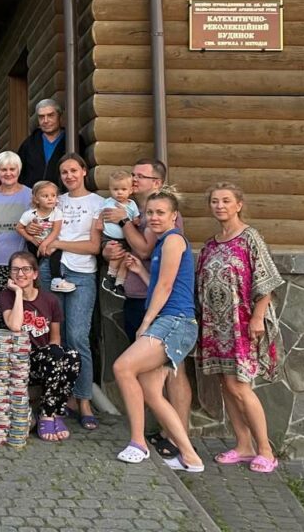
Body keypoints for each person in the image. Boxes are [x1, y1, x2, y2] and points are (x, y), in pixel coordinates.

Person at [102, 158, 192, 457]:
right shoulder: (138, 212)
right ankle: (164, 441)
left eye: (141, 175)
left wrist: (124, 223)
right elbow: (137, 253)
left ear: (157, 183)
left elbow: (143, 249)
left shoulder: (164, 223)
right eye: (133, 174)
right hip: (140, 294)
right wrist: (111, 249)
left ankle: (175, 436)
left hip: (163, 309)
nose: (135, 179)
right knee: (151, 377)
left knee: (171, 371)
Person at [113, 188, 204, 472]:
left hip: (173, 321)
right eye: (149, 213)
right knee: (152, 391)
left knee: (123, 368)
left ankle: (138, 443)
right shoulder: (165, 243)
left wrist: (145, 322)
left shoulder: (174, 240)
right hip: (170, 319)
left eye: (160, 212)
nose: (153, 217)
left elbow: (165, 288)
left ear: (174, 216)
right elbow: (164, 281)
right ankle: (190, 457)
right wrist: (141, 272)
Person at [196, 183, 283, 473]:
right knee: (226, 385)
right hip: (215, 327)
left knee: (240, 386)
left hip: (241, 323)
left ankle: (266, 450)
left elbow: (266, 281)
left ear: (238, 205)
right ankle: (243, 445)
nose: (219, 206)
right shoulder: (210, 244)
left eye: (226, 201)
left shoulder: (250, 238)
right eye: (215, 201)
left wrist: (258, 317)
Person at [32, 153, 102, 428]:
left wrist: (59, 244)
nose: (69, 176)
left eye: (74, 170)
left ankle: (84, 399)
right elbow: (39, 232)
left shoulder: (97, 203)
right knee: (53, 336)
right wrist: (38, 231)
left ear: (84, 171)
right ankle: (57, 398)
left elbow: (93, 247)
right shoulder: (55, 200)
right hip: (52, 269)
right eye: (64, 172)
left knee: (77, 336)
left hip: (82, 272)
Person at [0, 251, 81, 442]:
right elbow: (15, 326)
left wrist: (55, 352)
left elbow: (55, 338)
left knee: (73, 357)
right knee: (53, 359)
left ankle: (56, 412)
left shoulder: (50, 300)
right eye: (16, 270)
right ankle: (46, 415)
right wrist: (18, 293)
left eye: (26, 269)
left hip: (46, 358)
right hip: (20, 360)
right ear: (10, 274)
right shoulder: (6, 296)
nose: (20, 274)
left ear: (35, 274)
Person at [0, 151, 32, 302]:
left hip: (21, 264)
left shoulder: (30, 195)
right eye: (3, 170)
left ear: (19, 170)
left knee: (20, 308)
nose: (8, 173)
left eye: (12, 169)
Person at [99, 170, 140, 298]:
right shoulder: (108, 202)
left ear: (131, 190)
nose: (119, 192)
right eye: (115, 189)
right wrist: (99, 223)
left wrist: (136, 221)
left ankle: (119, 284)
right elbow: (101, 214)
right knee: (115, 254)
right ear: (110, 189)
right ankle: (110, 276)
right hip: (109, 237)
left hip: (125, 238)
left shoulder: (132, 205)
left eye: (123, 189)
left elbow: (136, 218)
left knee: (126, 258)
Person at [15, 180, 63, 284]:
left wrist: (44, 244)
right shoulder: (30, 214)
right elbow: (19, 228)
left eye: (53, 195)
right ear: (36, 199)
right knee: (32, 260)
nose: (50, 198)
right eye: (45, 196)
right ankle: (32, 280)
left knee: (57, 255)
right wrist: (32, 239)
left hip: (50, 242)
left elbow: (56, 231)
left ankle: (57, 278)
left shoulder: (57, 213)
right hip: (35, 243)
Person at [16, 99, 66, 189]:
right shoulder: (28, 144)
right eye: (41, 117)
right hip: (32, 199)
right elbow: (18, 174)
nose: (45, 120)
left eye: (50, 115)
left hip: (62, 197)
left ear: (60, 116)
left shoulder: (72, 140)